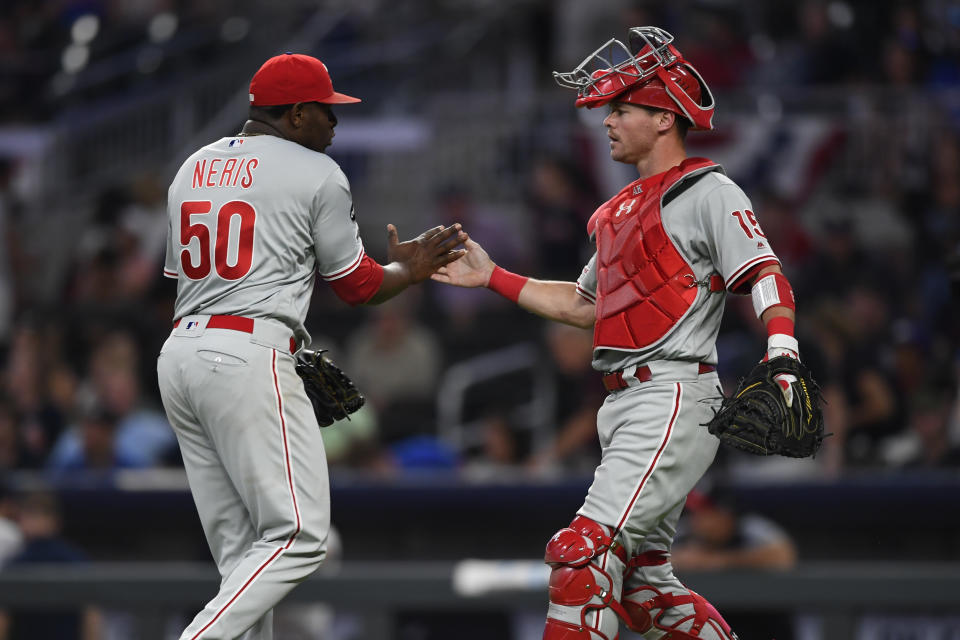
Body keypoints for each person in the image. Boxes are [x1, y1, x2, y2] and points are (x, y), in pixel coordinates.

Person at [433, 26, 804, 639]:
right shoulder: (618, 209)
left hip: (673, 392)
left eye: (622, 108)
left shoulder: (708, 189)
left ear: (664, 119)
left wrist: (783, 352)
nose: (606, 120)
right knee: (643, 584)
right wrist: (492, 276)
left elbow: (765, 272)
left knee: (580, 556)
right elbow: (585, 307)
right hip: (625, 401)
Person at [156, 52, 467, 640]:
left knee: (241, 558)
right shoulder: (315, 171)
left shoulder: (192, 166)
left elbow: (182, 279)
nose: (335, 123)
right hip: (248, 351)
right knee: (300, 539)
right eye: (327, 111)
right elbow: (358, 286)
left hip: (182, 355)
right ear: (296, 114)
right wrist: (409, 270)